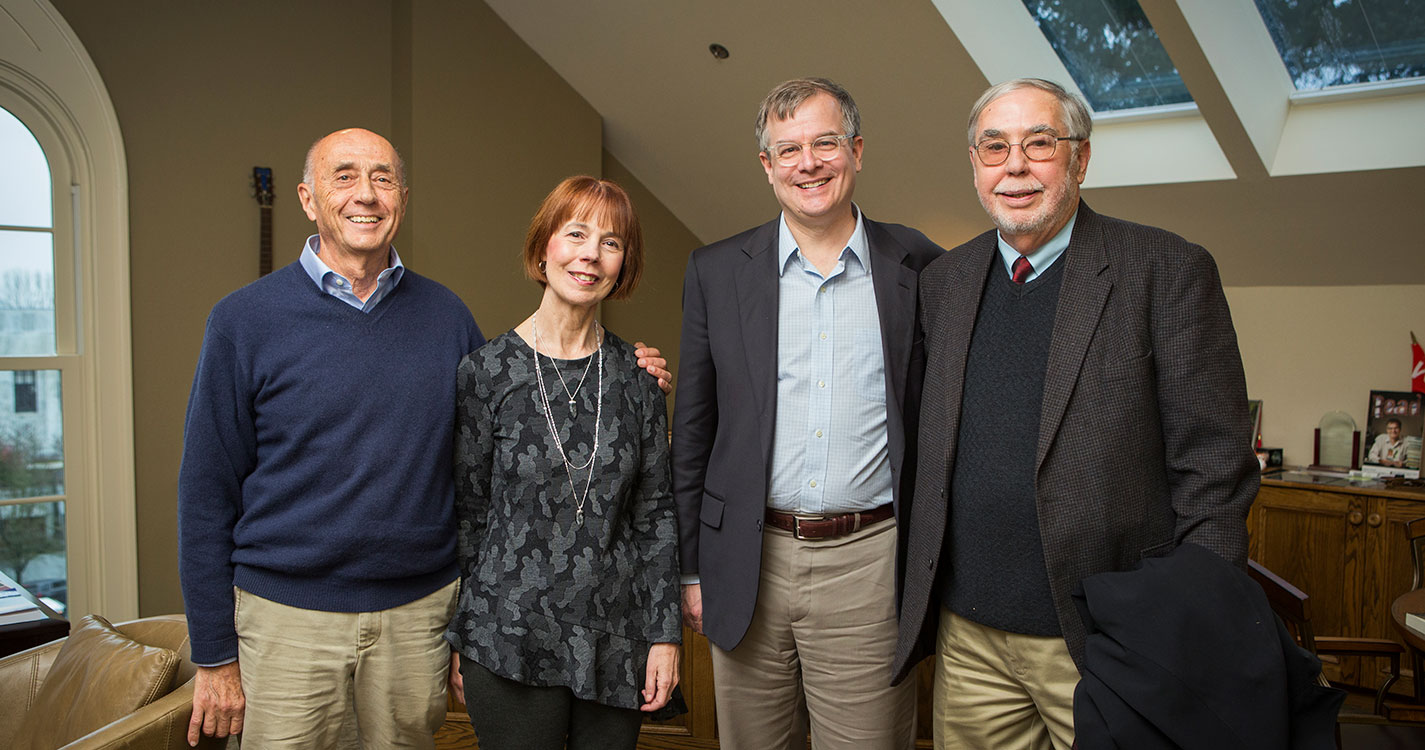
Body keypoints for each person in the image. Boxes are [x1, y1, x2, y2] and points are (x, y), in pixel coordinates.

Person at [178, 129, 670, 748]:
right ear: (308, 198)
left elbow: (503, 460)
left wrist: (635, 371)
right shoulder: (241, 321)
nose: (367, 195)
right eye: (345, 177)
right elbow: (204, 495)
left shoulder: (446, 319)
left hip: (415, 621)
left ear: (402, 200)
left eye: (383, 178)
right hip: (288, 621)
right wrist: (214, 655)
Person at [893, 78, 1259, 749]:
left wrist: (1187, 621)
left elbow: (1214, 466)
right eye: (993, 146)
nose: (1015, 166)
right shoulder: (943, 282)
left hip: (1106, 636)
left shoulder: (1164, 269)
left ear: (1080, 159)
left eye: (1039, 143)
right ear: (973, 163)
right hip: (968, 636)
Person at [672, 77, 943, 750]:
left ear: (855, 150)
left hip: (870, 566)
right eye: (787, 149)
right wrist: (691, 568)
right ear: (767, 167)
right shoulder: (715, 273)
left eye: (825, 143)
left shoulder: (919, 265)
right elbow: (695, 430)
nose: (808, 163)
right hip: (746, 562)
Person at [445, 176, 682, 750]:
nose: (590, 255)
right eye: (575, 234)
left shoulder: (638, 378)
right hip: (507, 633)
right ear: (543, 247)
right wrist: (462, 633)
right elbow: (470, 513)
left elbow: (655, 517)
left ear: (623, 264)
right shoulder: (486, 372)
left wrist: (665, 636)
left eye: (611, 242)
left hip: (616, 632)